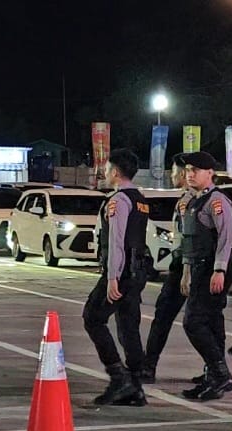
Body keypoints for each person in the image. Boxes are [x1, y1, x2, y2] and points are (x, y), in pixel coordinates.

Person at [82, 148, 150, 406]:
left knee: (92, 318)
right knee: (128, 326)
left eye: (108, 169)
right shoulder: (141, 199)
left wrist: (112, 277)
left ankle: (118, 377)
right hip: (137, 271)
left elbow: (117, 242)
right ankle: (136, 387)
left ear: (116, 172)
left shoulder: (118, 201)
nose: (106, 173)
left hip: (121, 272)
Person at [178, 151, 232, 401]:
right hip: (199, 268)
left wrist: (220, 269)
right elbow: (188, 240)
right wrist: (185, 271)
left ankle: (221, 374)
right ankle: (212, 378)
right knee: (213, 324)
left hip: (212, 269)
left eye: (195, 170)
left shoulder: (217, 201)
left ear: (210, 173)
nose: (190, 174)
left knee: (193, 322)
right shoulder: (194, 201)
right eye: (188, 170)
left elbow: (226, 237)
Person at [139, 155, 197, 384]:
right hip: (187, 265)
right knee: (204, 321)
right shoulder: (187, 199)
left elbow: (186, 240)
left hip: (184, 267)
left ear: (183, 174)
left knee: (165, 316)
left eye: (173, 171)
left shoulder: (187, 202)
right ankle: (214, 370)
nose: (170, 175)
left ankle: (149, 365)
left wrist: (185, 272)